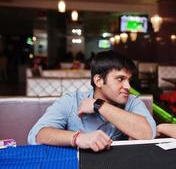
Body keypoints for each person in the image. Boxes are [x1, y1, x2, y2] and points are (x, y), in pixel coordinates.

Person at [28, 50, 156, 151]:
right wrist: (78, 138)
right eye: (120, 79)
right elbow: (37, 134)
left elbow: (148, 134)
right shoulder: (72, 100)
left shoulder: (131, 102)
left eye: (129, 80)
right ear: (98, 81)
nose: (128, 87)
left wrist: (99, 105)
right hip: (75, 167)